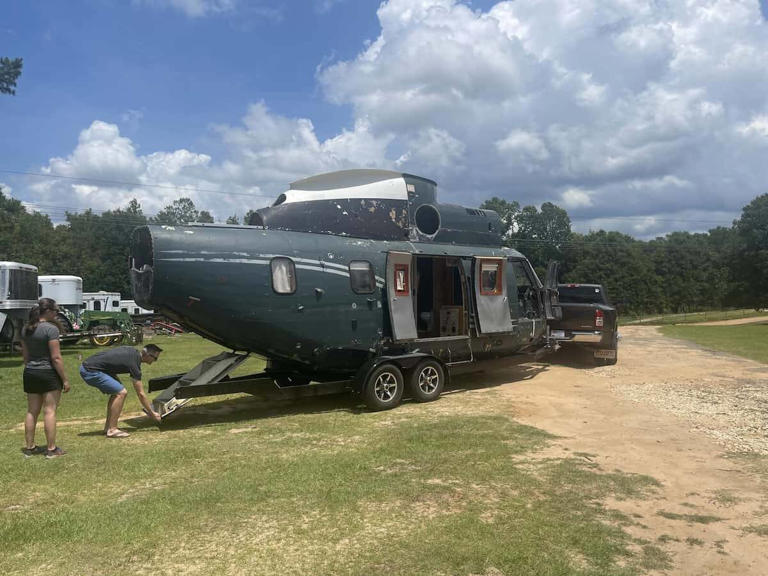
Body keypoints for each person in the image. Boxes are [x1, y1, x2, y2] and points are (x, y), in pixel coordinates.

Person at [21, 298, 70, 459]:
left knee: (32, 411)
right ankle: (51, 449)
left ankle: (29, 447)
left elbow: (26, 356)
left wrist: (31, 367)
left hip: (30, 372)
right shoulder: (51, 330)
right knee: (50, 411)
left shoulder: (26, 329)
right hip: (47, 372)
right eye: (55, 311)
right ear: (48, 311)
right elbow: (56, 358)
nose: (56, 314)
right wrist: (65, 380)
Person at [79, 344, 163, 437]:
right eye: (155, 358)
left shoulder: (132, 352)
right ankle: (112, 430)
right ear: (146, 355)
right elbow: (141, 394)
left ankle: (108, 427)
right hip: (90, 370)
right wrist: (152, 413)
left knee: (117, 392)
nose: (155, 361)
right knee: (121, 393)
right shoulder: (134, 365)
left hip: (93, 367)